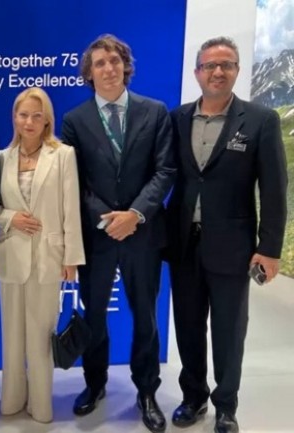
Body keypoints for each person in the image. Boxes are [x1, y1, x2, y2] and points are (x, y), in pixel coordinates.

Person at [166, 36, 287, 433]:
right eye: (210, 65)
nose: (218, 72)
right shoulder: (178, 119)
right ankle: (193, 396)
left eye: (226, 65)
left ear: (236, 70)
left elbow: (274, 189)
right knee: (187, 326)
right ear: (197, 72)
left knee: (229, 332)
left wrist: (269, 249)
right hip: (184, 243)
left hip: (234, 247)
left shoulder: (259, 120)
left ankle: (226, 406)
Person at [61, 34, 176, 433]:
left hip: (144, 235)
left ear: (126, 66)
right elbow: (74, 182)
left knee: (145, 317)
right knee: (94, 315)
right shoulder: (74, 120)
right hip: (98, 236)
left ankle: (146, 391)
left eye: (114, 61)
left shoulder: (155, 112)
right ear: (89, 74)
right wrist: (109, 218)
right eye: (99, 63)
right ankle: (95, 384)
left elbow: (165, 170)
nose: (108, 68)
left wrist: (136, 214)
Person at [0, 87, 85, 423]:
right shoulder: (1, 158)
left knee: (41, 336)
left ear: (47, 119)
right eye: (23, 115)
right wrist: (10, 218)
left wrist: (71, 258)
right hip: (11, 254)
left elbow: (70, 208)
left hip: (49, 256)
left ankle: (41, 404)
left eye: (36, 115)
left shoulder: (63, 155)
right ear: (13, 118)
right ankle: (12, 399)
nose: (29, 122)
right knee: (12, 336)